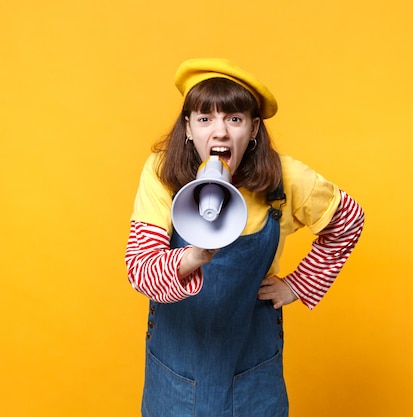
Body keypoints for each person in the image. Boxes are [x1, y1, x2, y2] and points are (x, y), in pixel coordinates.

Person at [125, 58, 365, 417]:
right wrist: (193, 256)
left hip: (251, 365)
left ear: (253, 129)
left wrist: (299, 285)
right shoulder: (161, 172)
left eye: (234, 119)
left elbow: (348, 220)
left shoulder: (285, 179)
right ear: (188, 127)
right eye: (205, 119)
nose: (219, 133)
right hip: (175, 369)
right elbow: (140, 270)